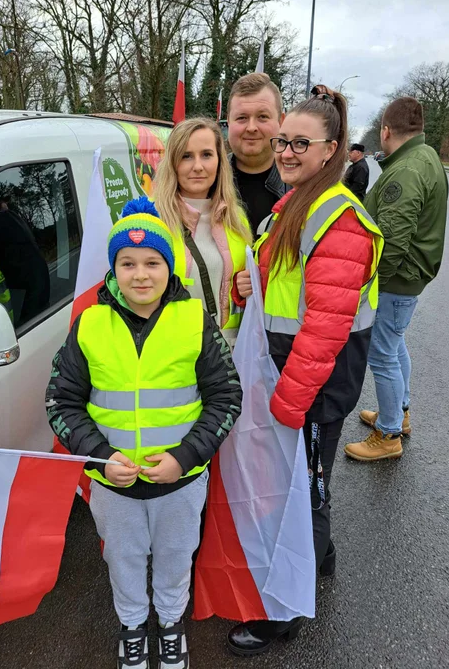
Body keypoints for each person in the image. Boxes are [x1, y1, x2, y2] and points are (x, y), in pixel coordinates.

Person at [46, 196, 242, 669]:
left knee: (177, 556)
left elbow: (227, 396)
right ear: (113, 268)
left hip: (181, 480)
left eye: (153, 262)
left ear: (169, 266)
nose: (140, 274)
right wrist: (98, 456)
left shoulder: (194, 319)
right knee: (123, 561)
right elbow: (61, 402)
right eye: (127, 263)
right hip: (113, 484)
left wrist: (186, 455)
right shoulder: (90, 323)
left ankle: (171, 624)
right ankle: (133, 626)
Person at [228, 85, 384, 656]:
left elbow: (323, 329)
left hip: (311, 386)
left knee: (299, 493)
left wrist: (289, 405)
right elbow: (287, 287)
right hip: (296, 379)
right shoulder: (297, 203)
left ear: (331, 149)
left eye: (300, 143)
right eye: (282, 141)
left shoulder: (337, 220)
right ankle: (323, 558)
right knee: (306, 487)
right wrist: (253, 283)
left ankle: (283, 612)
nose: (286, 151)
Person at [344, 97, 448, 461]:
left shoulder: (405, 170)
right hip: (410, 278)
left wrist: (369, 286)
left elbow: (391, 239)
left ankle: (388, 434)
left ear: (386, 132)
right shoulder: (426, 157)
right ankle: (398, 413)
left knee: (382, 353)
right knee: (395, 345)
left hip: (395, 280)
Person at [153, 117, 252, 348]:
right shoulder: (152, 219)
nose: (197, 166)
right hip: (171, 353)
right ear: (173, 163)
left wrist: (243, 289)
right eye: (186, 156)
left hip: (227, 355)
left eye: (206, 155)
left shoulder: (237, 219)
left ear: (219, 161)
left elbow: (237, 296)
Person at [227, 73, 290, 236]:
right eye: (242, 117)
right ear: (228, 121)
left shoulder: (305, 186)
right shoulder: (200, 183)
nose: (251, 127)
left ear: (281, 121)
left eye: (262, 117)